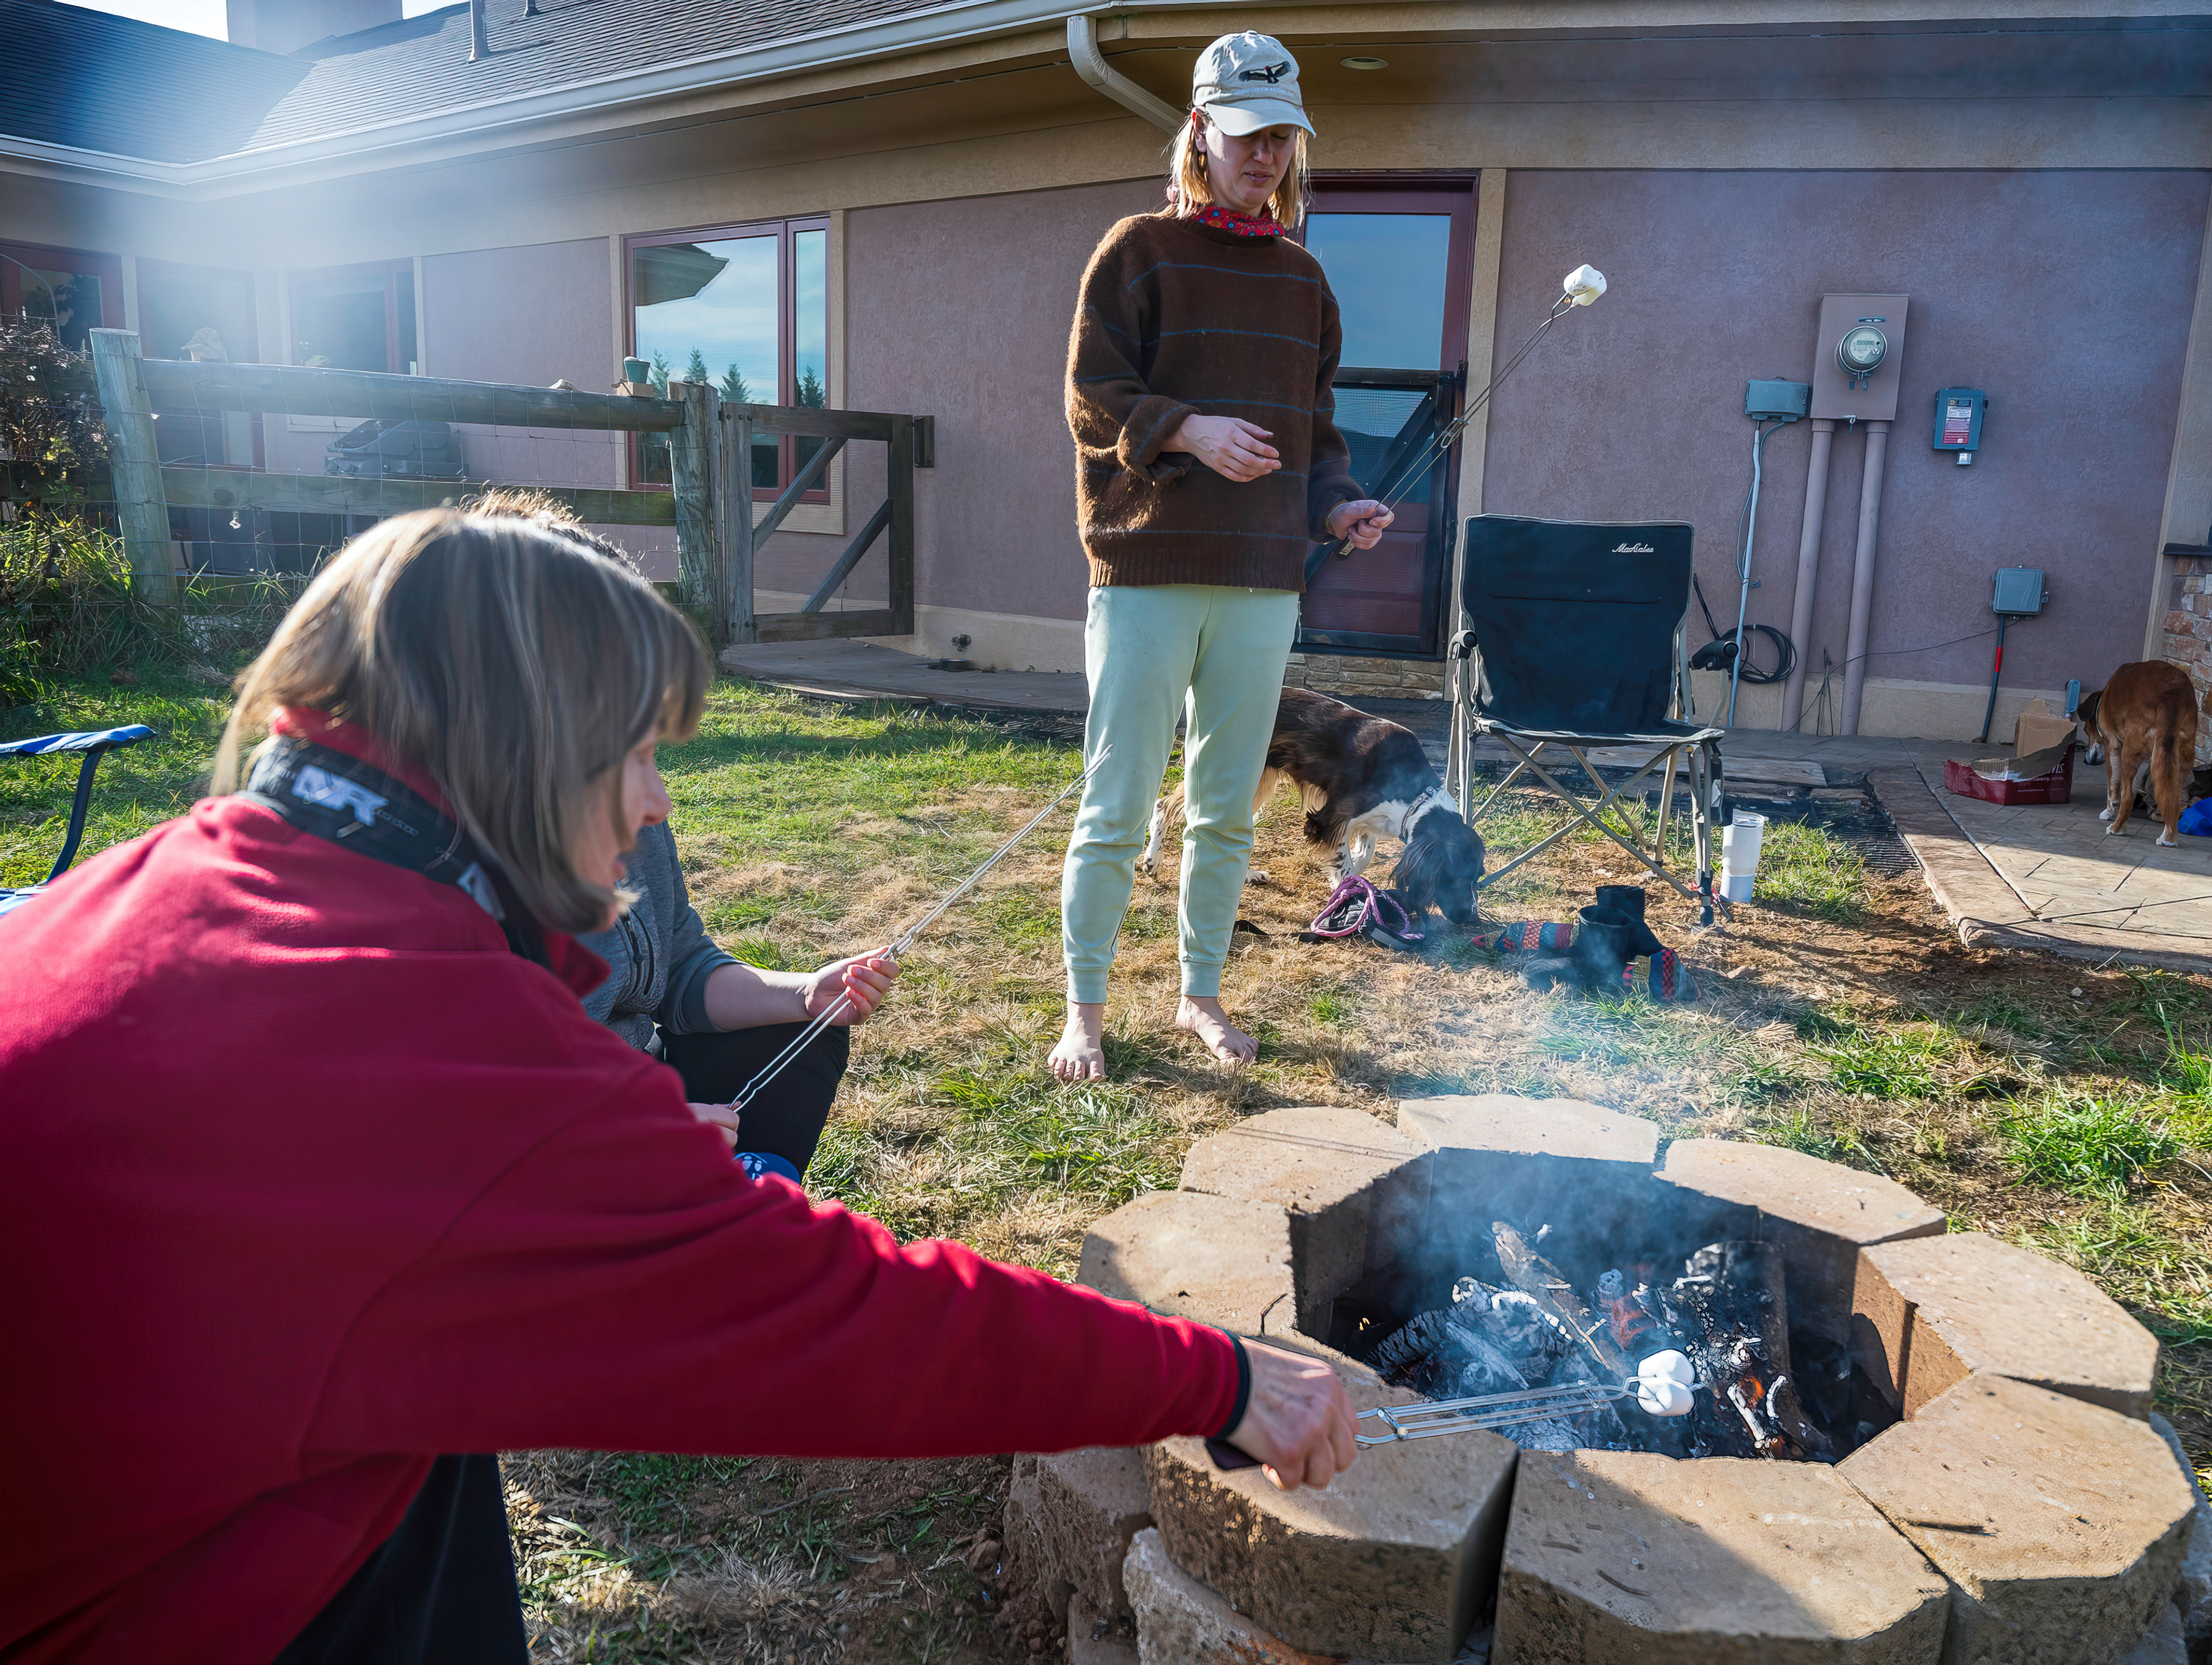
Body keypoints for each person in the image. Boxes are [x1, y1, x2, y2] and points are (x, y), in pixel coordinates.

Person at [0, 511, 1358, 1664]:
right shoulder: (422, 1033)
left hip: (141, 1496)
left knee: (427, 1447)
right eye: (639, 752)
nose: (654, 804)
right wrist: (1215, 1372)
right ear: (531, 750)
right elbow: (848, 1322)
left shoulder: (170, 874)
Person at [1052, 31, 1393, 1082]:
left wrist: (1338, 506)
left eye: (1283, 137)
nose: (1267, 156)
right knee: (1115, 809)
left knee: (1223, 812)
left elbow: (1316, 435)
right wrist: (1189, 429)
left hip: (1260, 582)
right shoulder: (1137, 252)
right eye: (1247, 135)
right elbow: (1089, 398)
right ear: (1201, 132)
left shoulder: (1303, 282)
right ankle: (1086, 1014)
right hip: (1147, 572)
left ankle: (1200, 995)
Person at [469, 488, 886, 1184]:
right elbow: (477, 1116)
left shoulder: (626, 819)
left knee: (803, 1038)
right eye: (628, 752)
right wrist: (635, 1131)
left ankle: (745, 1218)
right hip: (545, 1158)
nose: (659, 803)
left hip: (629, 1098)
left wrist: (806, 994)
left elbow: (681, 968)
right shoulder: (445, 883)